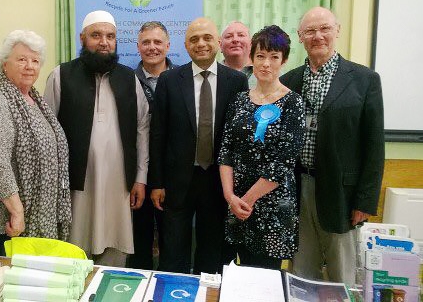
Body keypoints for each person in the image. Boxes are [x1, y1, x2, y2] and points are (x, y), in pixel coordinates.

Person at [281, 7, 384, 284]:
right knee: (301, 271)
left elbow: (374, 146)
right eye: (310, 31)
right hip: (299, 187)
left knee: (342, 274)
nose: (318, 36)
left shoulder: (365, 80)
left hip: (342, 194)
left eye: (324, 28)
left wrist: (364, 200)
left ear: (337, 30)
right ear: (300, 37)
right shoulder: (287, 82)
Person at [45, 10, 150, 267]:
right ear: (83, 38)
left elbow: (142, 129)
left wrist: (140, 178)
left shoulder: (129, 78)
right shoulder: (61, 75)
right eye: (96, 35)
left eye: (110, 36)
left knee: (115, 247)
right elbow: (46, 130)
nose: (104, 42)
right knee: (74, 249)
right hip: (75, 182)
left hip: (119, 182)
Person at [149, 17, 248, 274]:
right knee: (173, 251)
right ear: (185, 45)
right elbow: (158, 135)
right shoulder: (169, 80)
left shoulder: (236, 82)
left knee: (212, 250)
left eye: (206, 38)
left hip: (218, 181)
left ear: (217, 42)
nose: (201, 44)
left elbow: (238, 137)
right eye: (194, 39)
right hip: (177, 181)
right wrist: (157, 182)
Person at [0, 30, 71, 256]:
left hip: (36, 216)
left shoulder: (35, 100)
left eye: (35, 61)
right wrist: (17, 212)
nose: (29, 66)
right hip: (7, 222)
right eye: (22, 59)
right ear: (4, 64)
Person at [218, 25, 306, 269]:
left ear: (284, 60)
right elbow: (226, 152)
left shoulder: (294, 104)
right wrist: (230, 197)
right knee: (233, 276)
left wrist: (245, 201)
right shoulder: (239, 100)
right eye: (260, 56)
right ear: (251, 58)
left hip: (272, 207)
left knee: (263, 283)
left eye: (274, 57)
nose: (266, 63)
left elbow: (283, 164)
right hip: (235, 203)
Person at [128, 21, 178, 270]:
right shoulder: (126, 81)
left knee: (173, 238)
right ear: (138, 47)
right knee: (139, 235)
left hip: (172, 172)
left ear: (168, 46)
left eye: (158, 42)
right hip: (137, 173)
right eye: (146, 42)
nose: (152, 47)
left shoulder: (182, 79)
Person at [220, 21, 255, 88]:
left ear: (251, 44)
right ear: (220, 45)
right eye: (228, 36)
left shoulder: (267, 72)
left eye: (241, 35)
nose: (235, 39)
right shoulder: (211, 74)